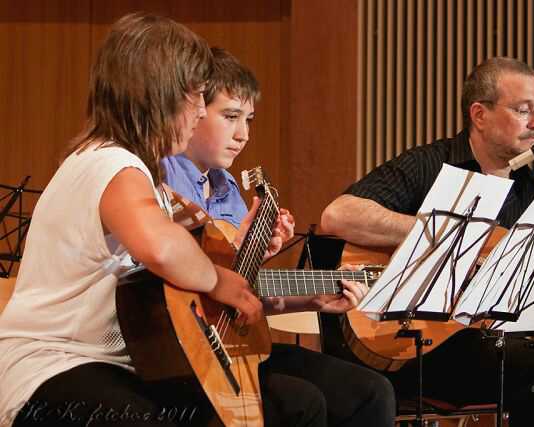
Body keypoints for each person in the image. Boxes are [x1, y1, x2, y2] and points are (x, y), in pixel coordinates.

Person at [0, 14, 394, 427]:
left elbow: (174, 288)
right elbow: (161, 248)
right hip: (52, 368)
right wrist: (219, 279)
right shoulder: (111, 164)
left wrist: (248, 271)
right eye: (197, 97)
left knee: (296, 402)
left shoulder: (136, 172)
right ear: (162, 94)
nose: (201, 111)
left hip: (128, 364)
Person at [320, 57, 534, 426]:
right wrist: (447, 236)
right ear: (479, 115)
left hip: (488, 346)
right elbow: (338, 215)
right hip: (411, 343)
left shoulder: (530, 191)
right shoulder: (430, 164)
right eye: (523, 110)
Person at [161, 47, 395, 427]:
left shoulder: (227, 189)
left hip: (231, 344)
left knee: (372, 392)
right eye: (230, 117)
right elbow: (172, 290)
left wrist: (313, 298)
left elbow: (241, 296)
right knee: (301, 403)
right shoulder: (163, 178)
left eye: (249, 120)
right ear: (194, 110)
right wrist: (238, 249)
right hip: (181, 352)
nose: (243, 135)